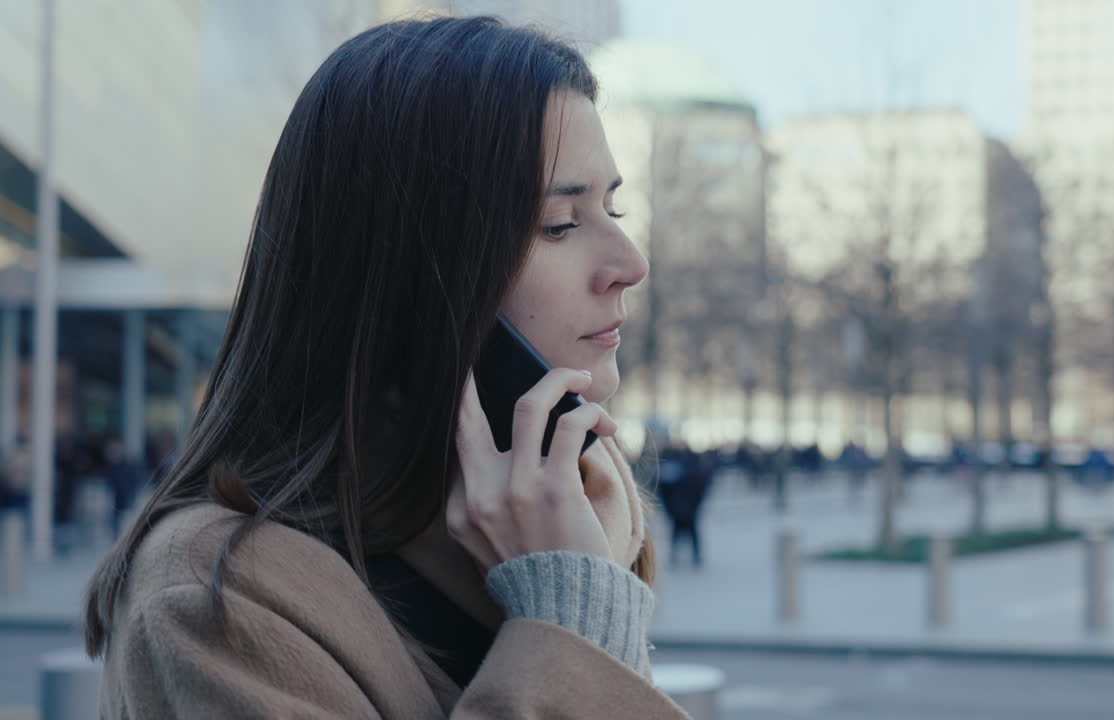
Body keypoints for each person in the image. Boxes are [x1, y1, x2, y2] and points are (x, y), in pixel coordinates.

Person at [83, 16, 689, 719]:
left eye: (613, 207)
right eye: (559, 224)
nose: (630, 264)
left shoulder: (589, 508)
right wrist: (572, 616)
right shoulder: (216, 605)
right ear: (404, 280)